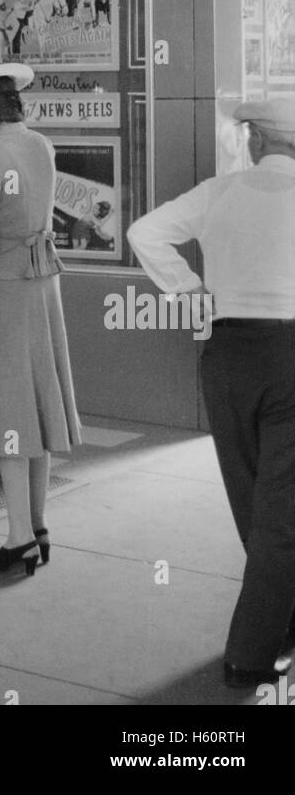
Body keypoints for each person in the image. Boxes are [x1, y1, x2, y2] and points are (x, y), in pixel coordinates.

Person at [127, 97, 295, 689]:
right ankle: (250, 653)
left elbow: (143, 233)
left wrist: (190, 287)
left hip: (226, 356)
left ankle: (280, 613)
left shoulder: (219, 192)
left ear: (255, 143)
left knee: (253, 498)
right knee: (283, 509)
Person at [0, 62, 82, 579]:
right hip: (45, 280)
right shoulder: (40, 145)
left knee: (8, 411)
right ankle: (39, 526)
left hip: (4, 287)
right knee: (40, 405)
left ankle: (19, 538)